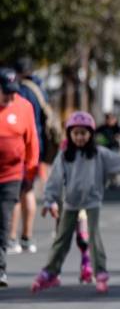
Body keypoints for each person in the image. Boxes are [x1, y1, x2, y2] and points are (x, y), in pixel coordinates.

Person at [33, 112, 120, 294]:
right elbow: (54, 180)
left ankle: (100, 273)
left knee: (93, 237)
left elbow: (118, 162)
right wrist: (49, 201)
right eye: (75, 133)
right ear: (69, 134)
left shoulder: (99, 154)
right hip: (70, 202)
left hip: (92, 201)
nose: (79, 137)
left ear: (91, 134)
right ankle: (51, 272)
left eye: (83, 133)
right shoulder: (64, 155)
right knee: (62, 238)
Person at [0, 68, 40, 287]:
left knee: (3, 221)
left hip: (11, 175)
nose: (10, 97)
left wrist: (31, 170)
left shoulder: (24, 106)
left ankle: (0, 268)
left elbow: (32, 140)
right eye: (5, 92)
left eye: (13, 92)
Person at [9, 58, 51, 255]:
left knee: (15, 193)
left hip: (21, 146)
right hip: (37, 145)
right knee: (29, 191)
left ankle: (11, 238)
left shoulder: (20, 91)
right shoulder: (39, 88)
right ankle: (27, 237)